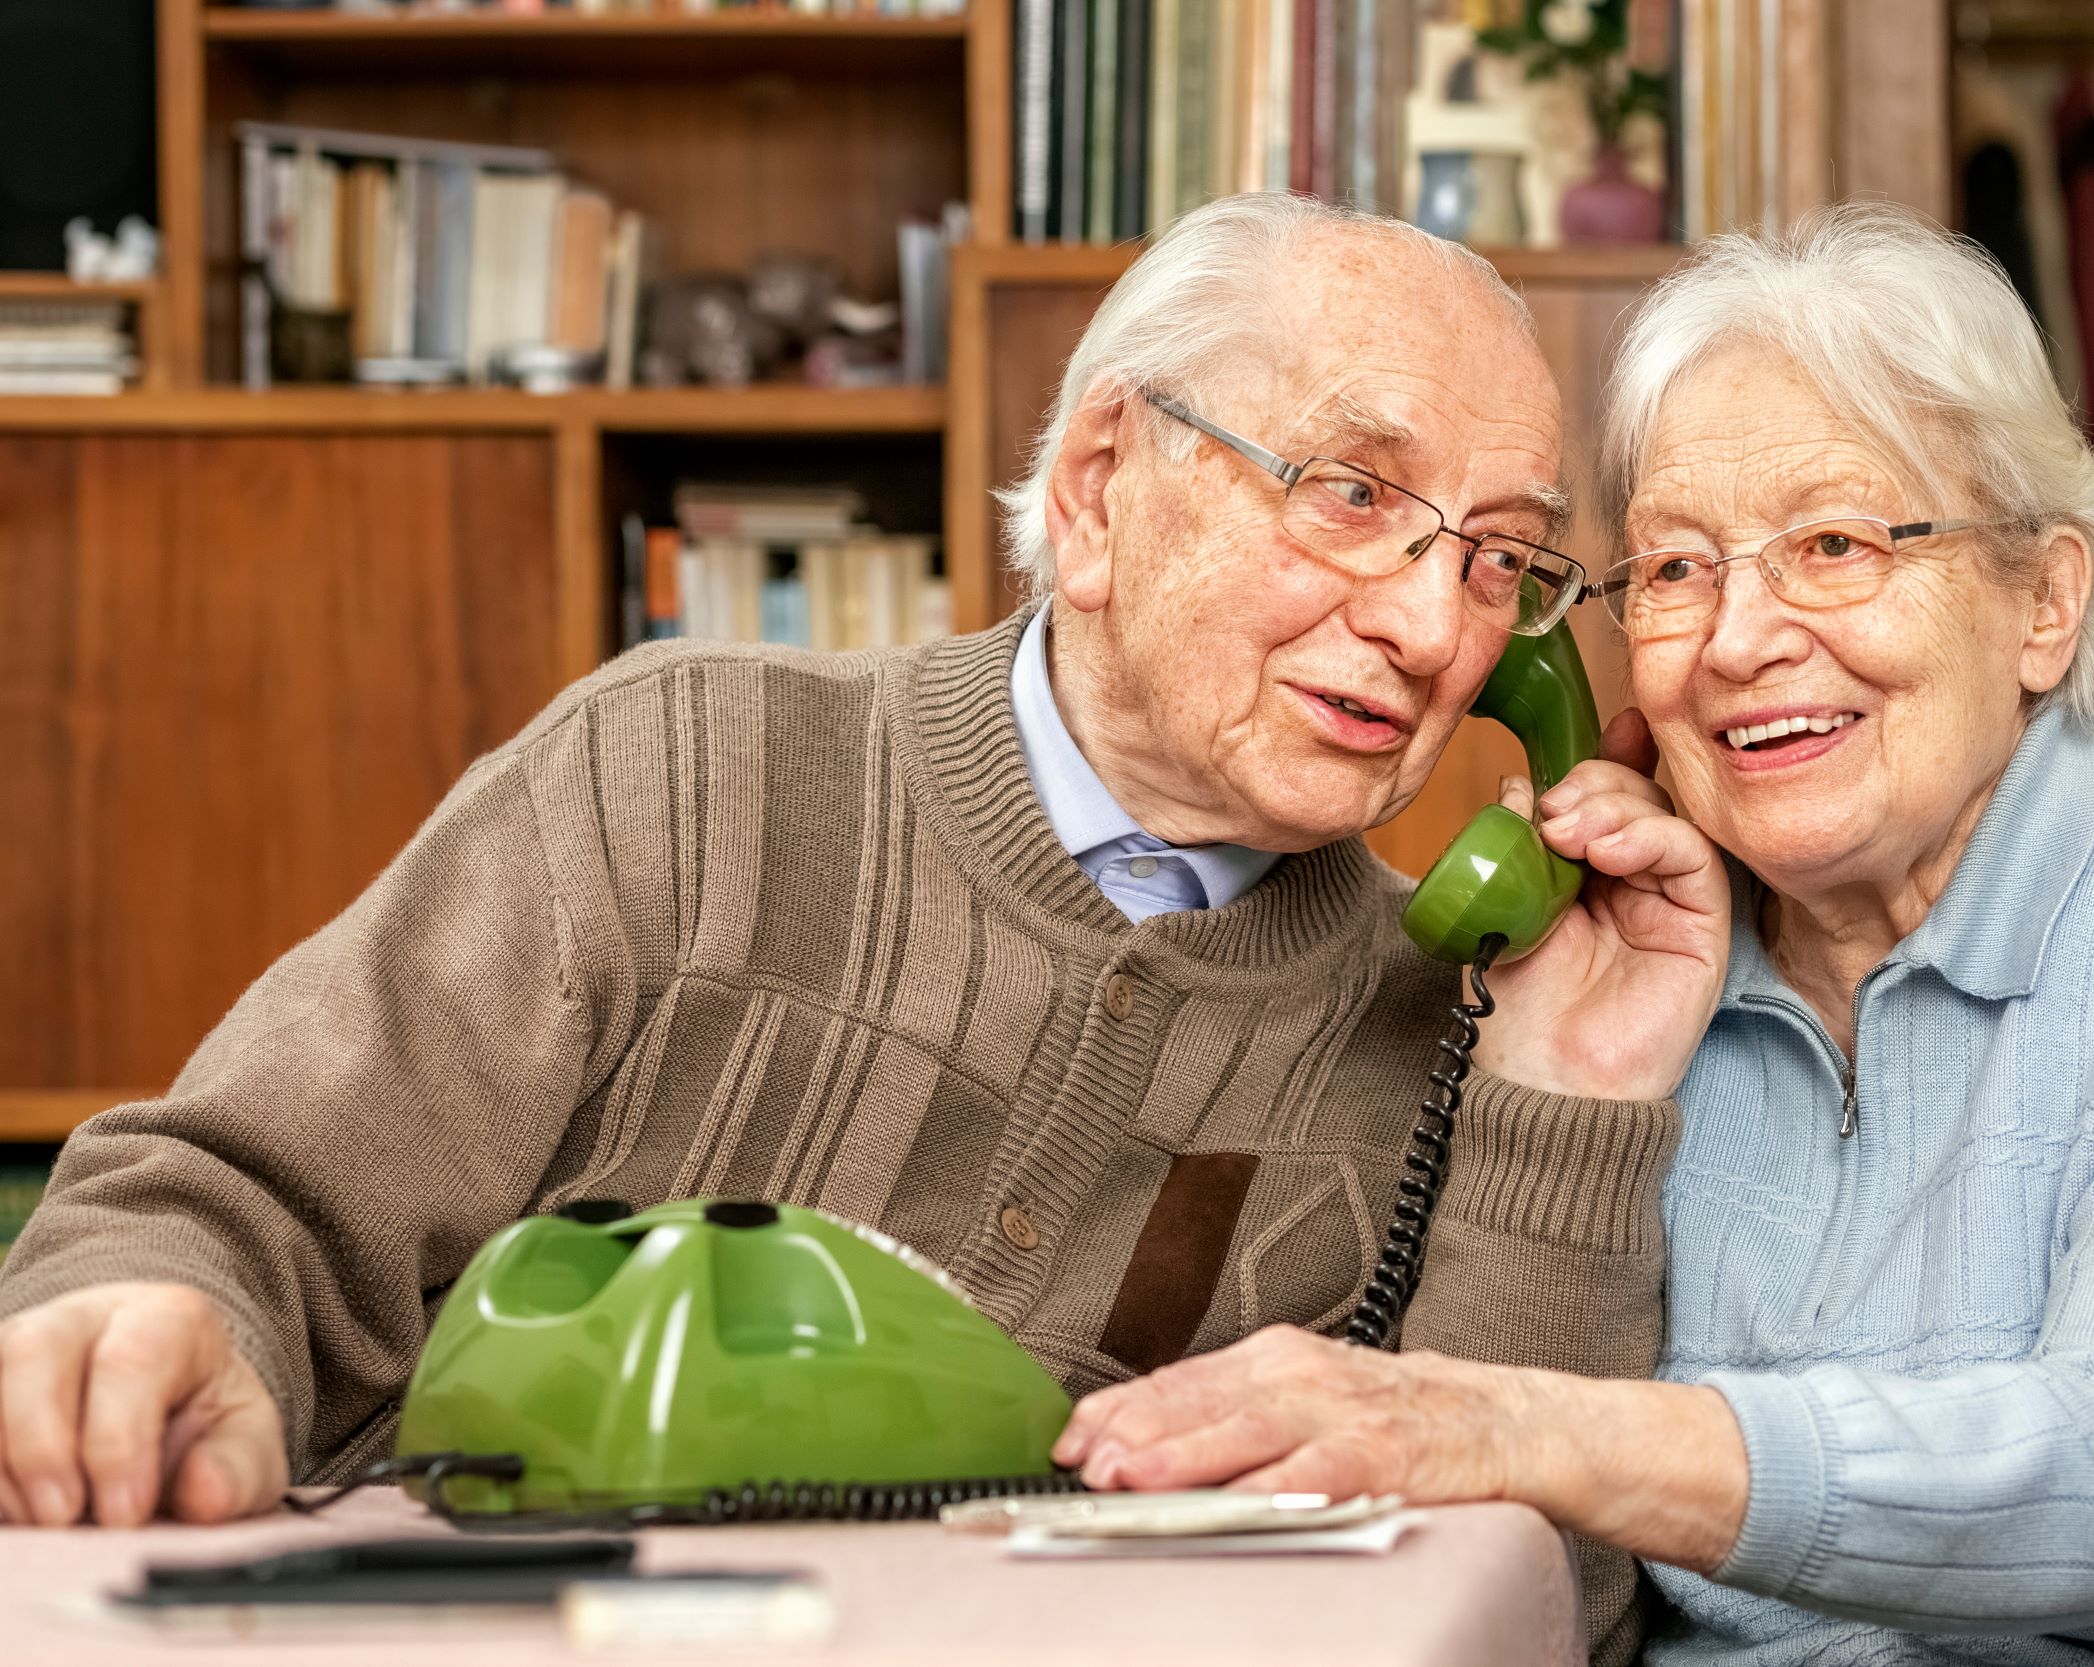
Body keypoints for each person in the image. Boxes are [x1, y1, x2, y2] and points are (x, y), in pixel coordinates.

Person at [0, 194, 1697, 1664]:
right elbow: (224, 1206)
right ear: (1104, 486)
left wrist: (1572, 1096)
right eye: (1351, 494)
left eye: (1499, 565)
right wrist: (158, 1327)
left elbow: (1531, 1614)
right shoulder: (683, 769)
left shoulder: (1452, 1018)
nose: (1424, 623)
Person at [1053, 205, 2094, 1660]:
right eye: (1675, 570)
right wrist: (1569, 1090)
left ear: (2044, 601)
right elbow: (1504, 1574)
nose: (1741, 638)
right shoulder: (1633, 973)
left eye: (1833, 542)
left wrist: (1502, 1422)